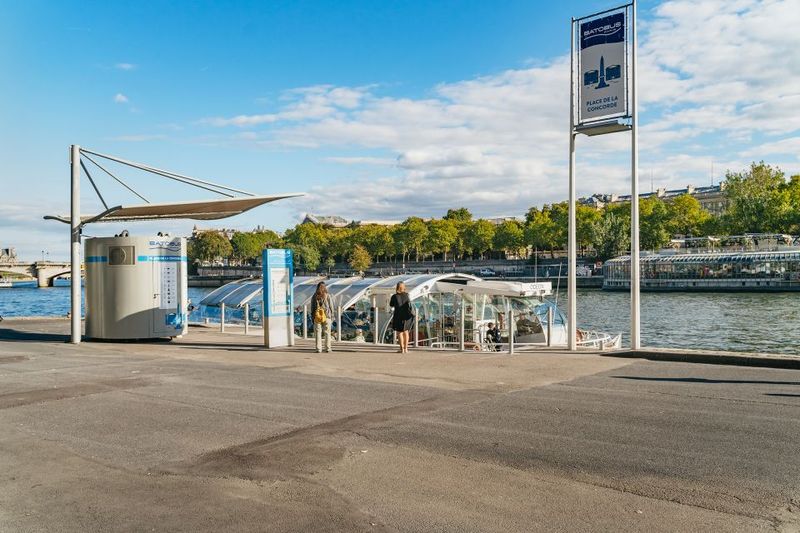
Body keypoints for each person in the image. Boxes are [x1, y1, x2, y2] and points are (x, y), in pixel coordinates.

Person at [389, 282, 414, 353]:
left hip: (398, 315)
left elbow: (391, 304)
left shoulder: (394, 296)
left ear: (397, 287)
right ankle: (406, 349)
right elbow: (409, 304)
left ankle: (402, 349)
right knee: (406, 332)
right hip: (407, 316)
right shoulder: (407, 295)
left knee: (399, 332)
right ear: (404, 287)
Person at [310, 282, 335, 353]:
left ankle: (318, 349)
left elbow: (312, 308)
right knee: (327, 333)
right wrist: (332, 317)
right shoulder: (327, 295)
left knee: (318, 333)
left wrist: (313, 317)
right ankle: (328, 348)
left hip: (317, 317)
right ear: (325, 287)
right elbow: (331, 307)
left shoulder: (314, 296)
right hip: (327, 316)